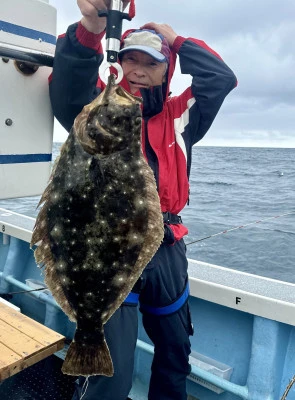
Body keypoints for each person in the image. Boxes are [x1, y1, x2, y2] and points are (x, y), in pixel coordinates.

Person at [49, 1, 237, 399]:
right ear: (116, 66)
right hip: (108, 247)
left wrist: (177, 40)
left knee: (175, 353)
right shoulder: (96, 109)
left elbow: (220, 79)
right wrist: (90, 26)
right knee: (112, 372)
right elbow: (70, 81)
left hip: (168, 249)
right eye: (130, 60)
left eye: (150, 63)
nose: (137, 71)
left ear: (166, 71)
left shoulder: (181, 114)